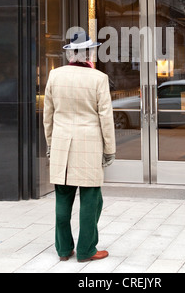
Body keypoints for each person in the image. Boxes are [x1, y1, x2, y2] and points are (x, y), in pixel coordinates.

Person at [43, 31, 116, 262]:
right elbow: (106, 117)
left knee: (62, 199)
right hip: (90, 145)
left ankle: (64, 250)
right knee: (91, 199)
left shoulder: (54, 76)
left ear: (69, 54)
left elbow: (48, 116)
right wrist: (110, 149)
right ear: (89, 53)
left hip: (61, 145)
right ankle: (86, 250)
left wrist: (50, 144)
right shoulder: (98, 78)